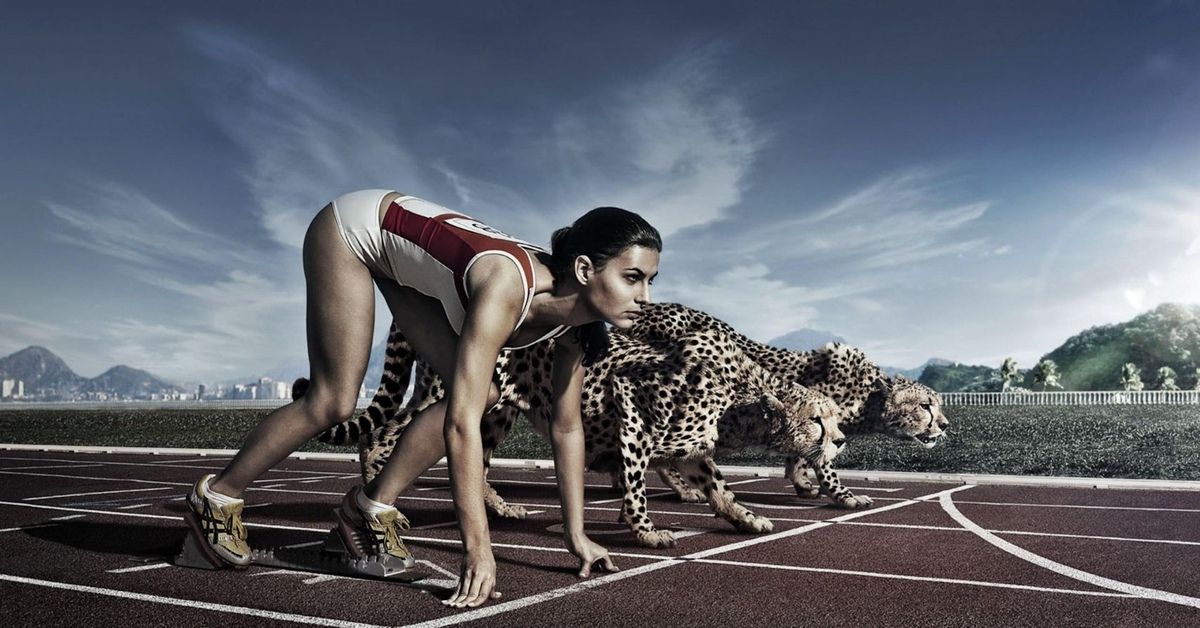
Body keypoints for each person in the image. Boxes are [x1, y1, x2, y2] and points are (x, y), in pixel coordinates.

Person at [185, 189, 662, 608]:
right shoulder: (507, 286)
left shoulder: (577, 326)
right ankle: (216, 498)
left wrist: (576, 535)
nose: (645, 296)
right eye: (632, 277)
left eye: (649, 281)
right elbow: (461, 426)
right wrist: (478, 551)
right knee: (333, 400)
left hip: (400, 256)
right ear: (584, 269)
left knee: (486, 391)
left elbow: (566, 426)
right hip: (354, 229)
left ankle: (366, 510)